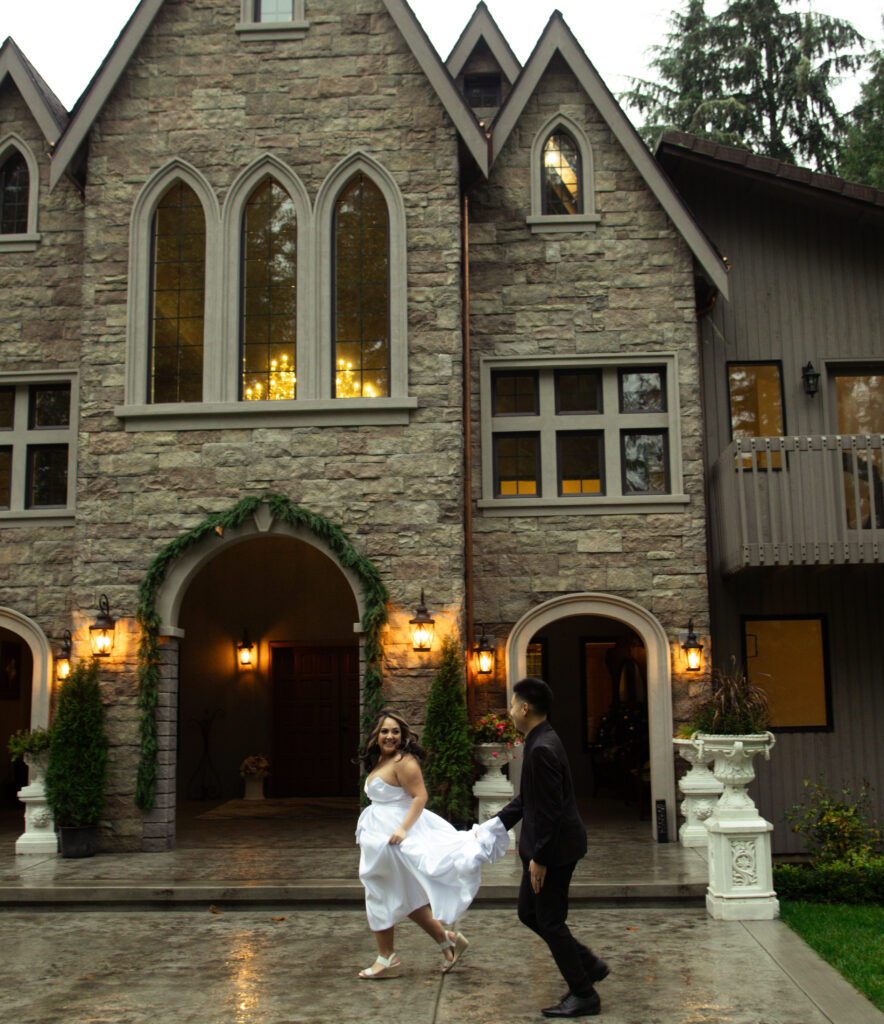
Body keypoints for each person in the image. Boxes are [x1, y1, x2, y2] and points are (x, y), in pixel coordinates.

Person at [355, 709, 509, 980]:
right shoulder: (382, 760)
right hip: (379, 836)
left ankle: (386, 958)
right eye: (384, 731)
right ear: (376, 735)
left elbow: (420, 797)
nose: (389, 736)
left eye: (395, 731)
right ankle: (447, 941)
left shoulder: (404, 761)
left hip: (393, 838)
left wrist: (403, 830)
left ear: (403, 735)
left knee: (379, 892)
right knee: (405, 893)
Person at [496, 678, 610, 1019]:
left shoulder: (542, 748)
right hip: (546, 845)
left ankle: (584, 993)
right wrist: (492, 826)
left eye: (513, 704)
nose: (511, 710)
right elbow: (529, 799)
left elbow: (549, 811)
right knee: (529, 913)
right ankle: (587, 964)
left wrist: (541, 859)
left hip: (554, 850)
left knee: (549, 920)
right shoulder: (540, 739)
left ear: (525, 708)